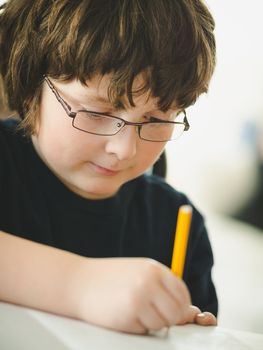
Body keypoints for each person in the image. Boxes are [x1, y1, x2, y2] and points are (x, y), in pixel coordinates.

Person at [0, 0, 218, 334]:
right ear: (31, 89)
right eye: (98, 113)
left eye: (157, 119)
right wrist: (79, 285)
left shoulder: (176, 223)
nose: (124, 149)